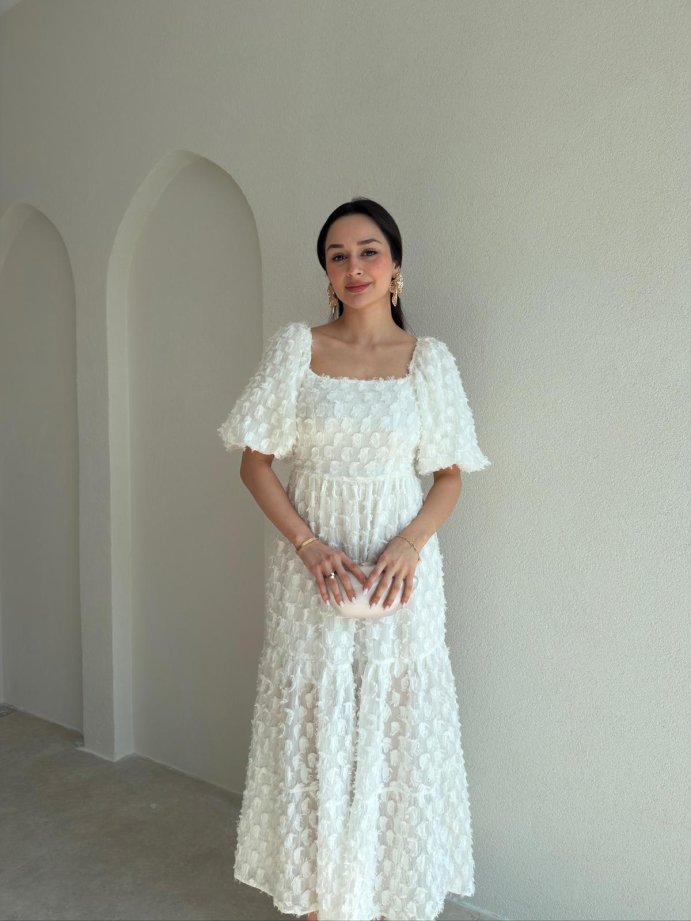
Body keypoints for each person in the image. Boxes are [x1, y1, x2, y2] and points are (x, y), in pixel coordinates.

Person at [217, 197, 491, 921]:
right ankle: (319, 904)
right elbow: (254, 463)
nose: (354, 266)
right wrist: (308, 545)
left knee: (396, 730)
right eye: (338, 255)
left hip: (401, 576)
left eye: (369, 251)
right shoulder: (296, 349)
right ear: (327, 273)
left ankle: (385, 898)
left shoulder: (428, 361)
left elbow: (450, 474)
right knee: (316, 730)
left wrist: (409, 543)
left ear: (395, 265)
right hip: (314, 572)